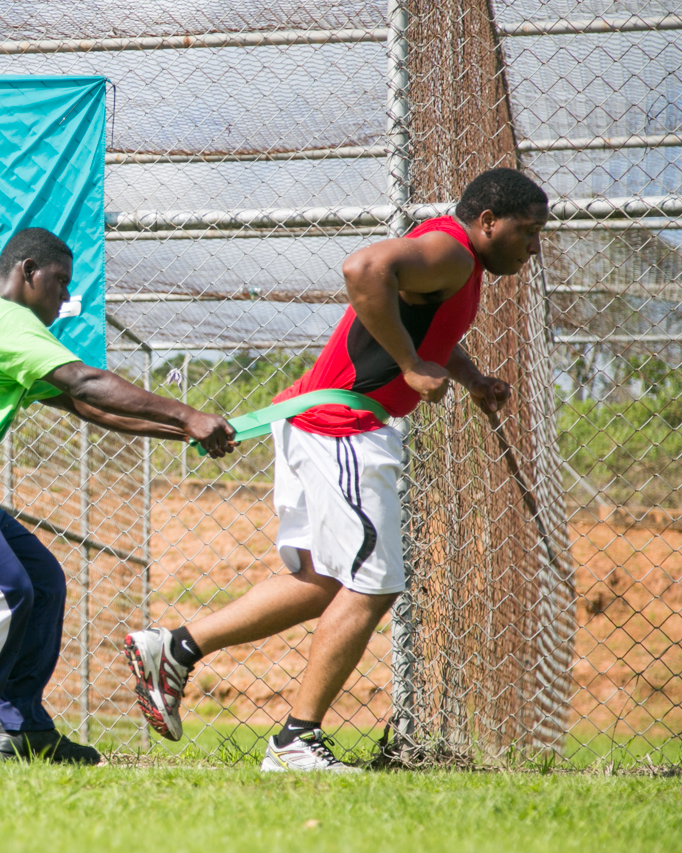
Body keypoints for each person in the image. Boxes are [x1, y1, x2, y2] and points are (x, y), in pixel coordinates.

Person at [124, 167, 549, 771]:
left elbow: (424, 325)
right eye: (529, 231)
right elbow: (363, 269)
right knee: (376, 583)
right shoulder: (451, 250)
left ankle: (175, 647)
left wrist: (470, 377)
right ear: (488, 222)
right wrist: (407, 365)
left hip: (321, 422)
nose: (534, 246)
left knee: (323, 581)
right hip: (344, 429)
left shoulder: (455, 263)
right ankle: (295, 742)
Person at [0, 227, 235, 763]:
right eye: (60, 283)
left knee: (40, 582)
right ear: (28, 271)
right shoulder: (3, 321)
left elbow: (86, 407)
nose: (65, 298)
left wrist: (184, 432)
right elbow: (84, 382)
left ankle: (23, 729)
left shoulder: (3, 330)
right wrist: (187, 413)